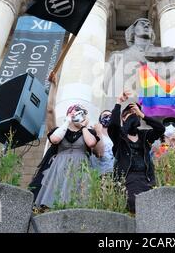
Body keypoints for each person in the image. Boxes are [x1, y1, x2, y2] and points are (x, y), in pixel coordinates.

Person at [33, 72, 103, 209]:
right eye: (76, 111)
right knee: (52, 202)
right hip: (58, 169)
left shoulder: (89, 133)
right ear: (69, 114)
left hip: (80, 171)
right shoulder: (59, 130)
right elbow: (50, 110)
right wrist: (54, 86)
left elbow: (99, 152)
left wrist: (94, 131)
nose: (79, 114)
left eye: (83, 112)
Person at [108, 90, 165, 214]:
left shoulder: (145, 135)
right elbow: (113, 125)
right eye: (130, 113)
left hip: (146, 179)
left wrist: (143, 115)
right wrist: (118, 103)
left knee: (149, 211)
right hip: (127, 179)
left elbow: (160, 129)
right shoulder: (119, 137)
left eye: (136, 113)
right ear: (123, 117)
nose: (134, 115)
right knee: (133, 209)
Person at [89, 110, 115, 175]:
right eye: (105, 115)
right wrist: (98, 131)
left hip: (113, 171)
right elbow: (99, 154)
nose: (108, 117)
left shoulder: (115, 135)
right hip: (99, 172)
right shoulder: (94, 132)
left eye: (110, 116)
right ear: (100, 119)